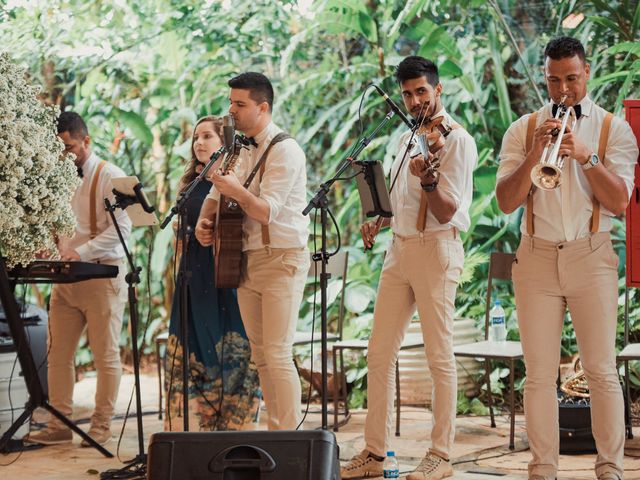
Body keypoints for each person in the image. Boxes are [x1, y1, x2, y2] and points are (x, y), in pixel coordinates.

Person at [496, 37, 638, 480]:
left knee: (600, 371)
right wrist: (538, 153)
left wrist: (585, 155)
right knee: (539, 375)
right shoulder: (522, 129)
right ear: (545, 76)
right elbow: (504, 201)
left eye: (572, 79)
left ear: (587, 72)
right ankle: (543, 469)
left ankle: (610, 467)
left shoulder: (614, 128)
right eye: (554, 80)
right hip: (536, 257)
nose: (563, 90)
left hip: (591, 254)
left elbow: (619, 202)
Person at [341, 56, 477, 480]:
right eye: (407, 93)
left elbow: (448, 209)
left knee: (439, 356)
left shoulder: (456, 141)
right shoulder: (404, 139)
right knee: (379, 353)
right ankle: (376, 452)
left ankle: (441, 455)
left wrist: (430, 181)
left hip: (436, 250)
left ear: (438, 90)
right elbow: (401, 198)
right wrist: (380, 217)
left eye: (421, 91)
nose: (415, 100)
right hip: (398, 251)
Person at [194, 72, 310, 430]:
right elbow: (215, 195)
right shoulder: (238, 147)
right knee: (260, 354)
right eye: (230, 103)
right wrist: (203, 221)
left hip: (282, 258)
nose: (232, 111)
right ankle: (276, 432)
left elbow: (265, 210)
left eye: (239, 104)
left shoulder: (285, 149)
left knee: (276, 352)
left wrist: (234, 188)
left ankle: (288, 437)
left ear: (262, 107)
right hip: (247, 258)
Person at [24, 111, 131, 446]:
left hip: (102, 278)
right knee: (58, 355)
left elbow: (121, 231)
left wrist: (79, 252)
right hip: (65, 280)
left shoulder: (109, 174)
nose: (65, 155)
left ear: (86, 140)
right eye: (60, 150)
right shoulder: (57, 177)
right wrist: (50, 247)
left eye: (70, 147)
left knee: (105, 355)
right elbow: (62, 227)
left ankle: (101, 426)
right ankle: (60, 425)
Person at [164, 115, 260, 431]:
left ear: (224, 143)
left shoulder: (233, 178)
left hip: (223, 271)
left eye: (207, 136)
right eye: (196, 137)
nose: (199, 143)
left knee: (228, 342)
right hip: (192, 272)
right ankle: (195, 421)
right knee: (193, 344)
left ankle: (233, 421)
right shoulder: (191, 182)